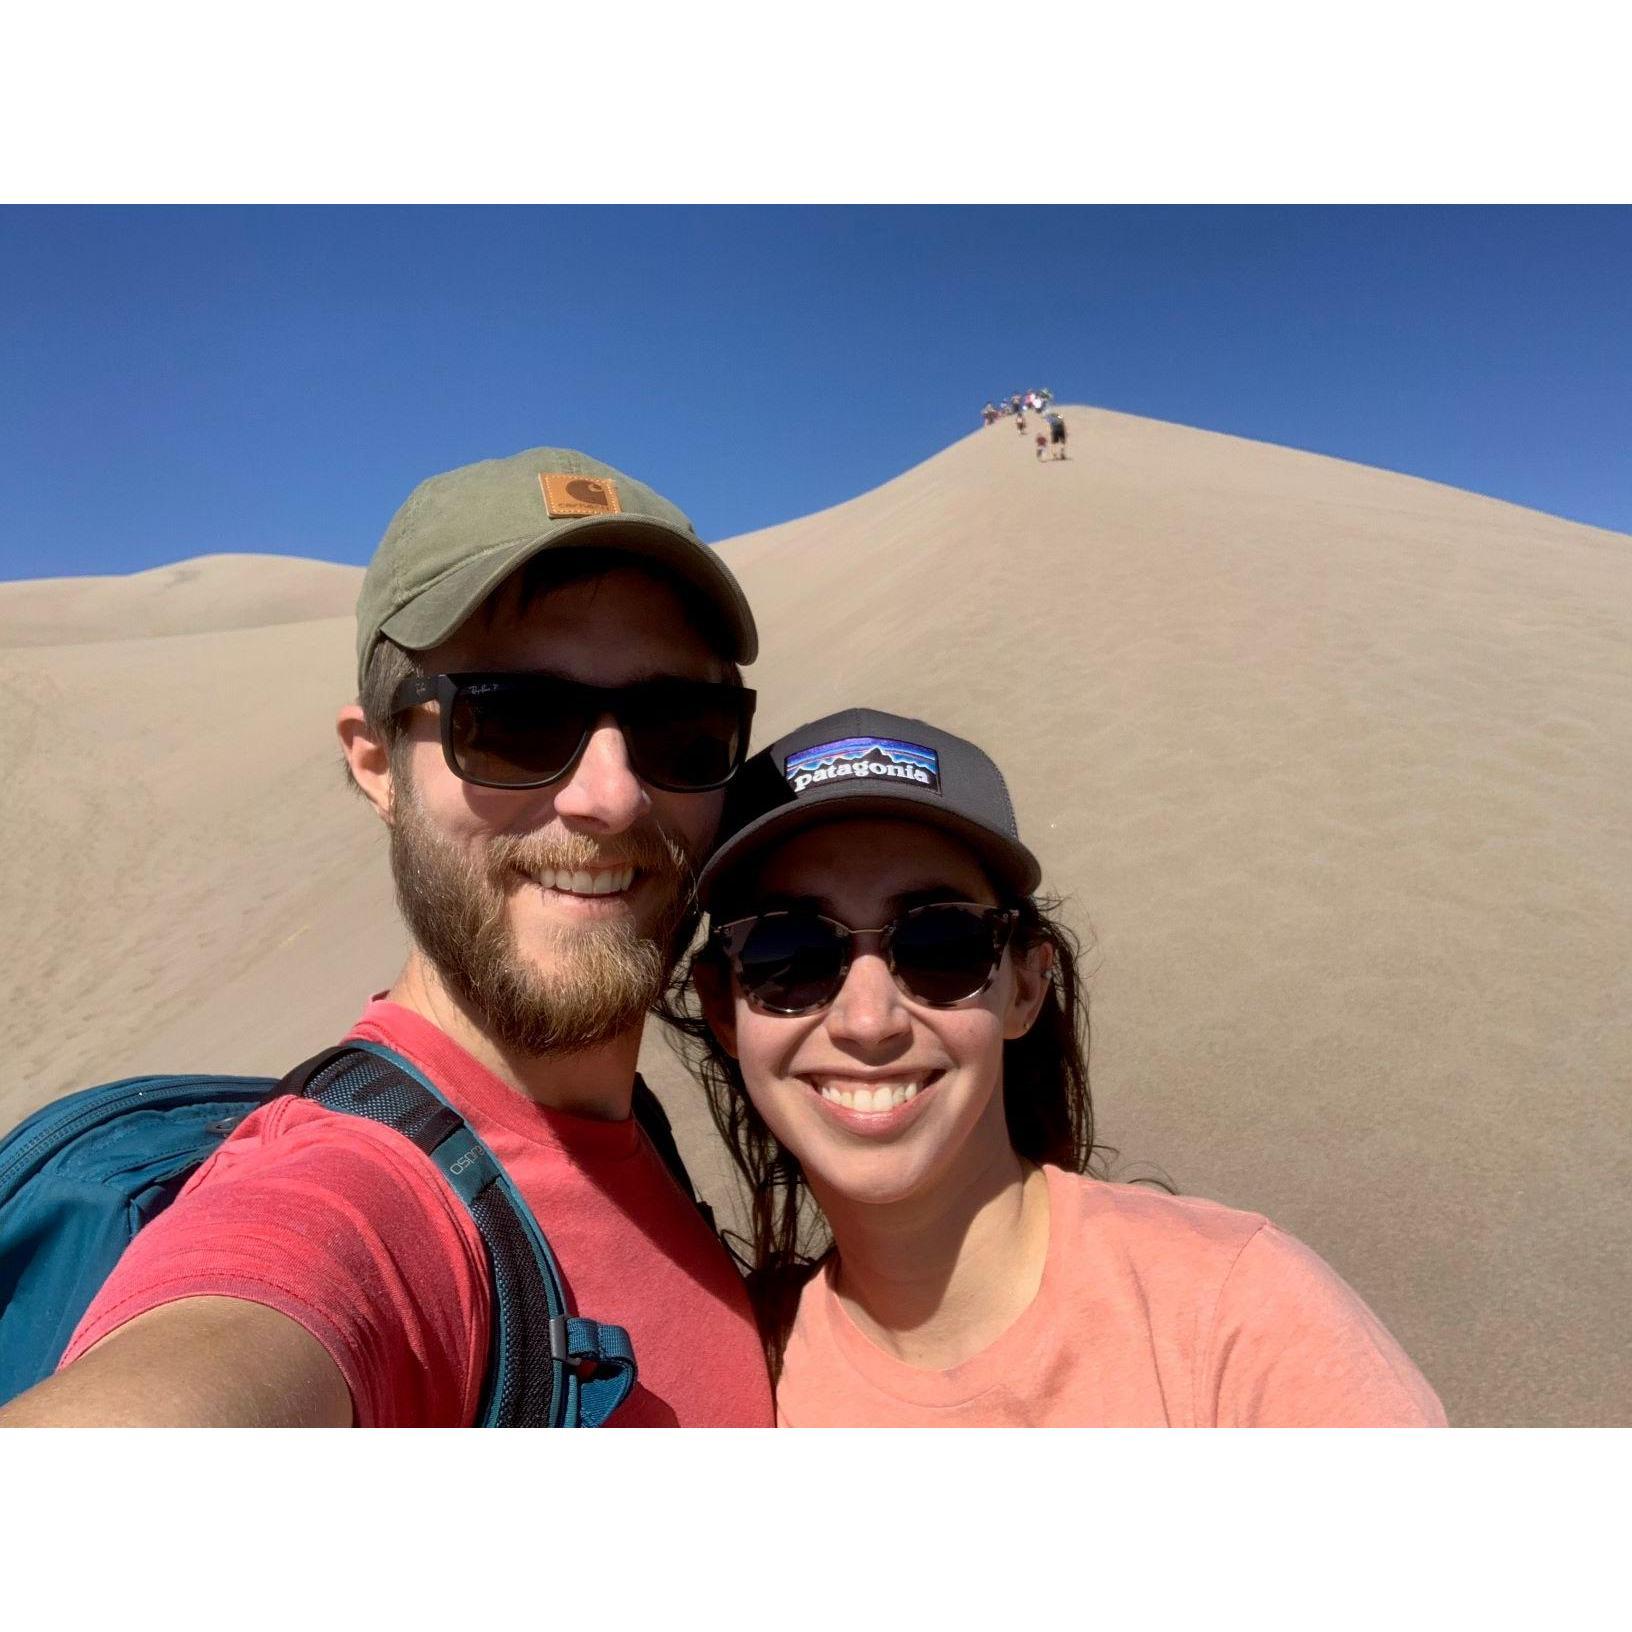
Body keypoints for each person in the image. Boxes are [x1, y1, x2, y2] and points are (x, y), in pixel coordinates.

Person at [0, 447, 775, 1428]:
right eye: (514, 723)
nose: (613, 797)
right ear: (374, 764)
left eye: (683, 728)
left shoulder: (636, 1138)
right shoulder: (346, 1202)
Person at [669, 708, 1448, 1426]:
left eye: (942, 945)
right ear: (723, 1010)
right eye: (787, 954)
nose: (869, 1022)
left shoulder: (1237, 1318)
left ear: (1026, 986)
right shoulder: (730, 1382)